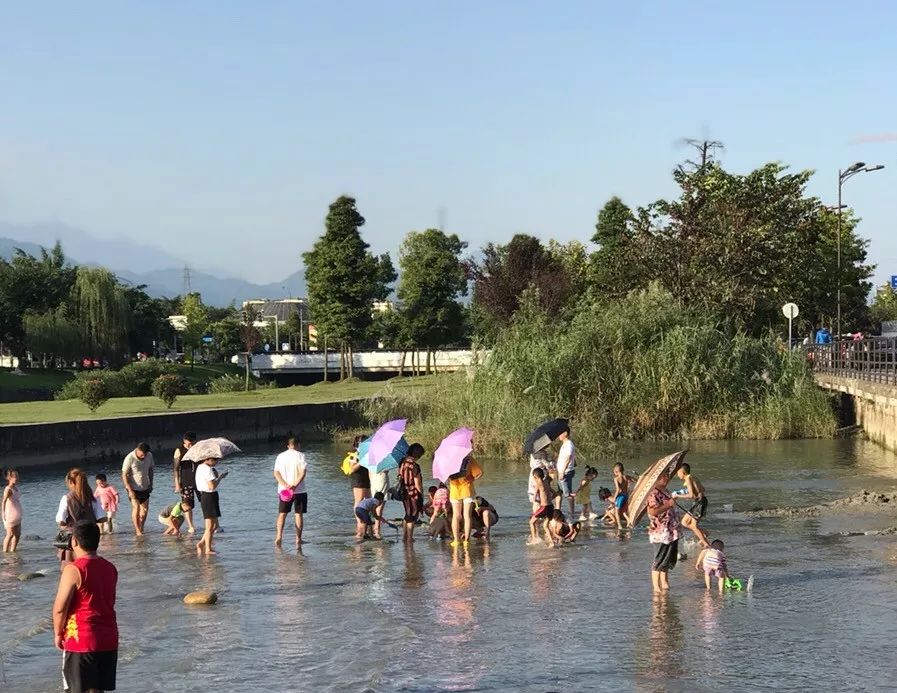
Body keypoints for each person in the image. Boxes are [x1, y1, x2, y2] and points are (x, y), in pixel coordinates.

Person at [52, 521, 118, 693]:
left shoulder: (74, 570)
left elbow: (60, 608)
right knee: (97, 689)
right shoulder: (110, 568)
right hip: (108, 637)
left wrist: (58, 633)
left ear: (74, 541)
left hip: (82, 638)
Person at [56, 469, 106, 564]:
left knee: (70, 566)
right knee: (89, 563)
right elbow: (102, 518)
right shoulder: (93, 499)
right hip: (91, 537)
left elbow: (60, 520)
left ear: (71, 482)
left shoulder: (67, 498)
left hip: (74, 538)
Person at [646, 471, 681, 593]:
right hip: (660, 532)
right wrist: (669, 504)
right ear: (659, 477)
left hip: (671, 530)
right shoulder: (653, 493)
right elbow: (652, 512)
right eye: (666, 476)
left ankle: (665, 582)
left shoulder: (665, 491)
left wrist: (672, 502)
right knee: (659, 558)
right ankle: (656, 587)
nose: (668, 478)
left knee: (667, 558)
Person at [273, 437, 308, 548]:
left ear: (288, 446)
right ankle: (298, 539)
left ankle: (279, 537)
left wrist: (285, 485)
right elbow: (303, 473)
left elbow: (276, 473)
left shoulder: (280, 456)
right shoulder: (301, 455)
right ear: (298, 445)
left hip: (284, 491)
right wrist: (294, 485)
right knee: (298, 514)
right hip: (299, 490)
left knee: (282, 514)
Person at [448, 453, 483, 547]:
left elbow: (447, 476)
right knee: (467, 516)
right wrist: (472, 478)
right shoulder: (469, 459)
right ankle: (467, 540)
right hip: (467, 490)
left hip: (454, 490)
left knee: (456, 516)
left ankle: (456, 540)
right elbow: (480, 473)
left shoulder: (449, 460)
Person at [195, 457, 227, 556]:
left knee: (212, 525)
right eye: (215, 460)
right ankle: (207, 548)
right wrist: (220, 477)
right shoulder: (207, 469)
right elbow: (212, 486)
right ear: (209, 459)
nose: (217, 462)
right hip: (209, 496)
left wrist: (216, 475)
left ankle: (202, 544)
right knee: (209, 526)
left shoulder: (200, 467)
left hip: (205, 496)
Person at [121, 443, 154, 537]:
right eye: (142, 454)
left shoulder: (149, 455)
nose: (144, 456)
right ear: (138, 450)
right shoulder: (129, 458)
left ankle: (141, 527)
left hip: (145, 486)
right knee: (136, 508)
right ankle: (137, 530)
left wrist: (151, 483)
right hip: (133, 488)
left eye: (145, 454)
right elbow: (124, 475)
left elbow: (151, 470)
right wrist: (129, 489)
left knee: (145, 510)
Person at [676, 463, 710, 548]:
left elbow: (691, 495)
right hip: (699, 502)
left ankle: (706, 544)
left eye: (678, 473)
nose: (677, 475)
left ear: (682, 472)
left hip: (700, 503)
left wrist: (677, 496)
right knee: (684, 522)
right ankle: (704, 533)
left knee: (693, 525)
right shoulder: (692, 477)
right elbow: (702, 489)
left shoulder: (688, 479)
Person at [172, 431, 198, 534]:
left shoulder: (197, 449)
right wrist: (177, 484)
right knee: (187, 504)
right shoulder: (179, 450)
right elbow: (175, 468)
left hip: (198, 479)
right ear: (184, 441)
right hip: (185, 481)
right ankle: (191, 526)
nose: (191, 445)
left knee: (205, 501)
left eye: (193, 442)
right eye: (189, 443)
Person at [398, 443, 425, 543]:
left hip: (403, 491)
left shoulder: (402, 462)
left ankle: (404, 537)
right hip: (412, 492)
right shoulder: (414, 465)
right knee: (412, 515)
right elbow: (417, 483)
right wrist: (421, 494)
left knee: (407, 514)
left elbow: (400, 476)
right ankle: (409, 538)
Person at [344, 436, 371, 520]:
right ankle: (359, 521)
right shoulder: (355, 454)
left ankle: (366, 520)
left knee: (368, 501)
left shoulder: (366, 453)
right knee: (358, 501)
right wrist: (361, 461)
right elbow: (352, 469)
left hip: (366, 479)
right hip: (358, 480)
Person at [529, 468, 553, 546]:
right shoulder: (546, 482)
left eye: (534, 477)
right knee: (545, 526)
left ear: (535, 477)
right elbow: (550, 478)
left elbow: (534, 498)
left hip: (544, 507)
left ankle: (534, 539)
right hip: (551, 507)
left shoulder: (539, 483)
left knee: (531, 522)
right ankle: (552, 543)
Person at [555, 428, 576, 517]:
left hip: (565, 472)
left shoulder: (569, 444)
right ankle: (557, 511)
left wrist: (562, 472)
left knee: (568, 494)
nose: (559, 435)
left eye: (560, 433)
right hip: (561, 472)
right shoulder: (565, 444)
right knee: (559, 492)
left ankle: (572, 513)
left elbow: (568, 458)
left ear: (565, 434)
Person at [2, 468, 22, 552]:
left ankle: (13, 551)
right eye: (15, 476)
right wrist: (3, 514)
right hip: (10, 516)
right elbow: (3, 502)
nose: (17, 478)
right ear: (9, 478)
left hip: (17, 516)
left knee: (17, 535)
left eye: (17, 476)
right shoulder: (8, 489)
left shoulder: (15, 488)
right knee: (9, 534)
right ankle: (5, 552)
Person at [611, 463, 632, 529]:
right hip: (626, 496)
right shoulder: (627, 476)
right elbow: (636, 480)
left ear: (616, 471)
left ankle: (619, 526)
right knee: (623, 511)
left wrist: (614, 498)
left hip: (620, 496)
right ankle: (629, 521)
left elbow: (617, 489)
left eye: (614, 471)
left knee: (616, 511)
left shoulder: (616, 479)